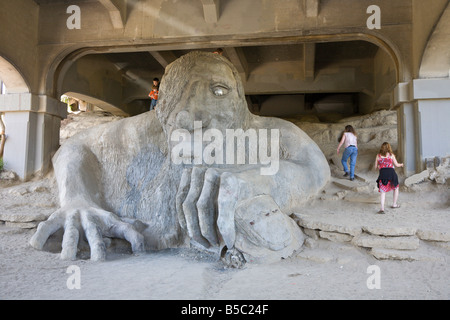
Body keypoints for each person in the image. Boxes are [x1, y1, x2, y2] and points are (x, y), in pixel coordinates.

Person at [374, 142, 404, 214]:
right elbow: (396, 165)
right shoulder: (391, 155)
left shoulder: (378, 156)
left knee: (382, 192)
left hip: (383, 174)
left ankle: (382, 208)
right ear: (389, 147)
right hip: (391, 173)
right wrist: (401, 164)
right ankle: (394, 204)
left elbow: (375, 167)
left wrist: (379, 166)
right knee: (396, 188)